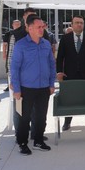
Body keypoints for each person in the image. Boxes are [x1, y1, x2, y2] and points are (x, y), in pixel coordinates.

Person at [10, 14, 56, 154]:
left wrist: (51, 83)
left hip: (44, 87)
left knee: (41, 117)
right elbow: (15, 68)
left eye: (42, 27)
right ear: (29, 28)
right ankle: (23, 143)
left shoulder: (46, 44)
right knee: (24, 117)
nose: (42, 29)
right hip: (26, 88)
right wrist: (16, 88)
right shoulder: (21, 45)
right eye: (38, 27)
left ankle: (38, 141)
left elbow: (51, 64)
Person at [56, 15, 85, 131]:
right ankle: (67, 122)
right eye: (77, 22)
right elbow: (60, 57)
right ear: (72, 24)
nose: (79, 24)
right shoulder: (65, 39)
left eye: (81, 22)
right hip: (69, 74)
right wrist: (59, 72)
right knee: (69, 97)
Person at [2, 19, 21, 91]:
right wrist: (4, 53)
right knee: (9, 69)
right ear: (12, 25)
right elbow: (4, 44)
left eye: (18, 24)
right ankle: (9, 84)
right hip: (10, 55)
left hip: (20, 55)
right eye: (15, 24)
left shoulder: (23, 33)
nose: (17, 26)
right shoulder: (8, 34)